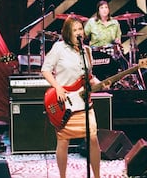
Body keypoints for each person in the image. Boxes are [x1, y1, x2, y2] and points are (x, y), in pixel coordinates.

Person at [41, 16, 110, 178]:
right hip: (65, 103)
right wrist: (57, 87)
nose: (79, 33)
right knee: (63, 141)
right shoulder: (59, 48)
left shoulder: (87, 51)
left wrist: (101, 84)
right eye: (75, 30)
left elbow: (89, 77)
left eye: (81, 29)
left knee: (93, 138)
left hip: (85, 103)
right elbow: (45, 69)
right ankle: (63, 176)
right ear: (67, 33)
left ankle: (97, 176)